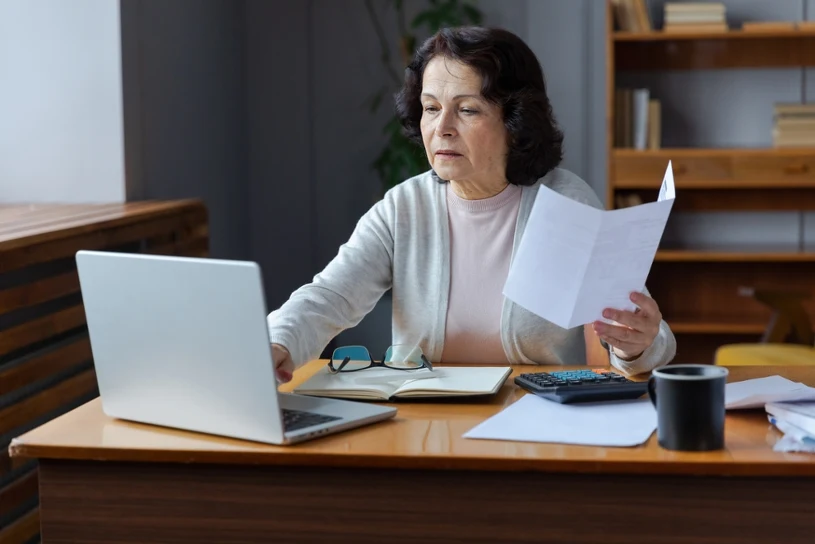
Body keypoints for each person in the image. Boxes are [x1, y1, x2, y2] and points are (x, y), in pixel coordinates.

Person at [267, 26, 676, 383]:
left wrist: (635, 346)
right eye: (430, 108)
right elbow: (329, 297)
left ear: (515, 122)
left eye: (467, 110)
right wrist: (275, 343)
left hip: (539, 424)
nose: (441, 128)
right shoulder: (404, 208)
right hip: (428, 427)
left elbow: (641, 337)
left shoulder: (564, 202)